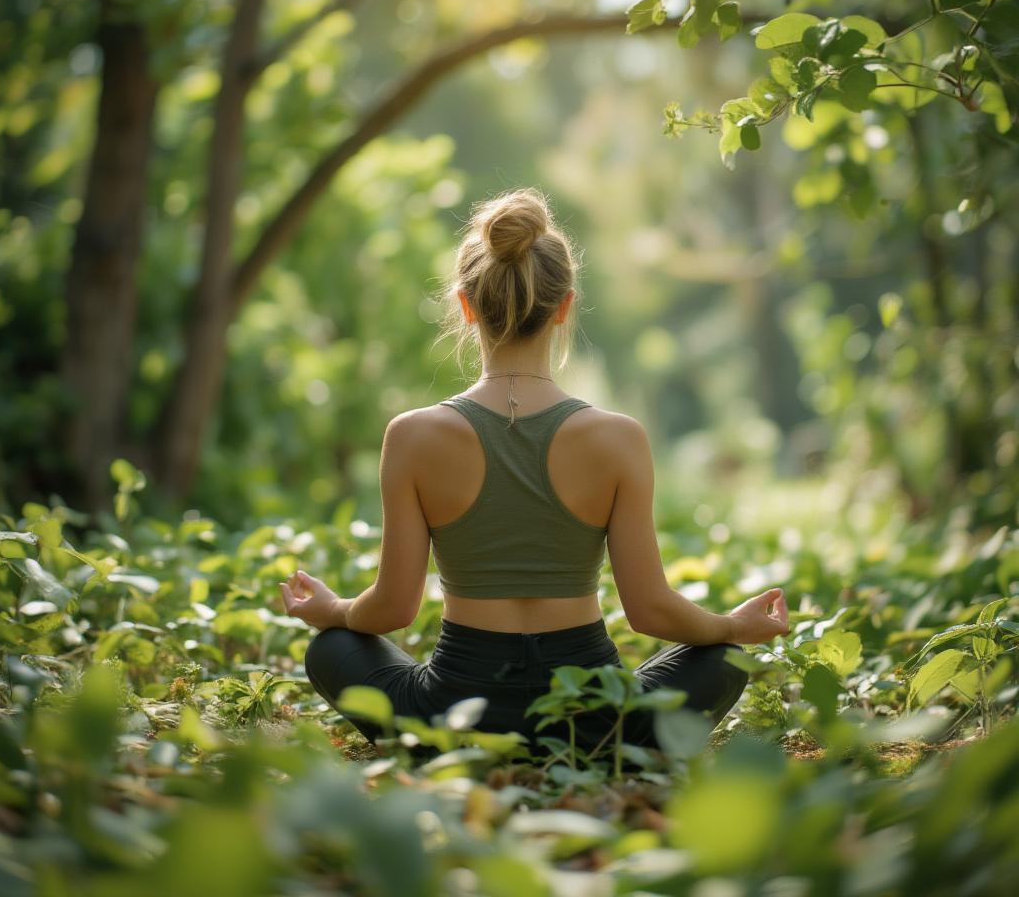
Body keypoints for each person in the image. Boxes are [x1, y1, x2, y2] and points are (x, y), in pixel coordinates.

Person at [281, 187, 790, 759]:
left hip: (456, 712)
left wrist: (333, 612)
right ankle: (610, 750)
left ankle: (440, 747)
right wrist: (730, 628)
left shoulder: (413, 435)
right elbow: (650, 609)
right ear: (565, 306)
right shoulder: (618, 437)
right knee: (724, 659)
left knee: (330, 649)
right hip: (595, 719)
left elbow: (393, 609)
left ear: (465, 305)